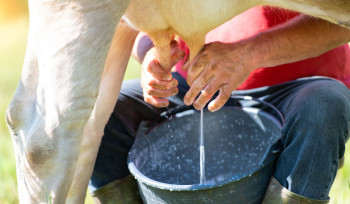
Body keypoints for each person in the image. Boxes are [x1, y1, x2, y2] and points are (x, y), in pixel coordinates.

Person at [89, 6, 350, 204]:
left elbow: (344, 20)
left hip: (297, 90)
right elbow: (128, 17)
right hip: (195, 87)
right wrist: (153, 51)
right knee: (102, 111)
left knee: (325, 104)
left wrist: (248, 53)